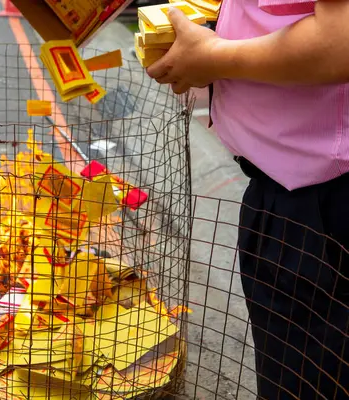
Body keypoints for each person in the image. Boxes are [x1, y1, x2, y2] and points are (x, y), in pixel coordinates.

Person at [145, 1, 349, 399]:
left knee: (307, 381)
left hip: (320, 208)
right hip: (291, 197)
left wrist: (214, 57)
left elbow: (338, 42)